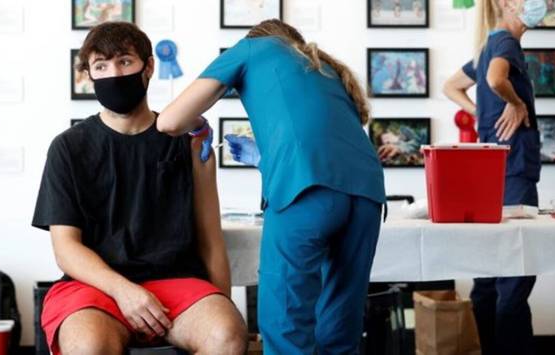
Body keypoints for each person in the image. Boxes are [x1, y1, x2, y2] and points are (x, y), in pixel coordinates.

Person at [157, 19, 386, 354]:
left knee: (286, 323)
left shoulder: (252, 48)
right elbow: (326, 146)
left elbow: (169, 121)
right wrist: (263, 159)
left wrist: (198, 123)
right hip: (367, 194)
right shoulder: (325, 71)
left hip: (307, 192)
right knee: (339, 323)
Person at [32, 22, 247, 355]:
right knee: (88, 347)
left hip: (178, 283)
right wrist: (123, 290)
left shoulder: (188, 142)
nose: (113, 73)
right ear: (89, 74)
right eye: (101, 66)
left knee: (226, 336)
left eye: (124, 61)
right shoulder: (68, 148)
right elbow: (66, 249)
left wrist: (222, 305)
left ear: (148, 67)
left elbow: (210, 239)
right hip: (93, 286)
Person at [443, 1, 547, 354]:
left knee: (487, 277)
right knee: (515, 277)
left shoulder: (487, 45)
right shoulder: (505, 42)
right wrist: (516, 104)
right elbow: (494, 79)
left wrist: (481, 115)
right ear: (507, 5)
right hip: (514, 172)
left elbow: (451, 86)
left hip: (491, 176)